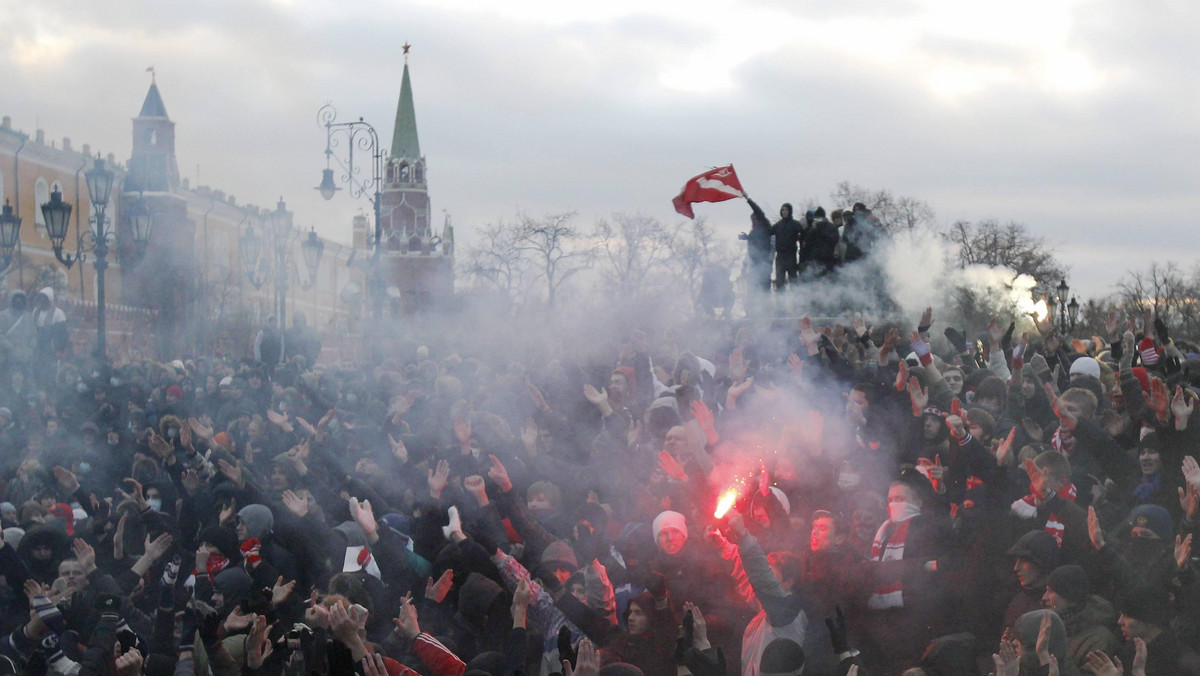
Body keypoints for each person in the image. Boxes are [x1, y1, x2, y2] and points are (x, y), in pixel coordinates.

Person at [772, 204, 802, 290]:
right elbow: (767, 233)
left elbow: (803, 237)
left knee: (793, 281)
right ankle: (780, 301)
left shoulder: (796, 225)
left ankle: (795, 300)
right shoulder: (777, 225)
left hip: (791, 256)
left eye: (786, 210)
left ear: (790, 211)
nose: (784, 212)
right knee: (780, 281)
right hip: (780, 256)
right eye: (783, 210)